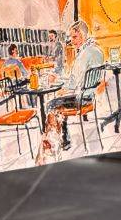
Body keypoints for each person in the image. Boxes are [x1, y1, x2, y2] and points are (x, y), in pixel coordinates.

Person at [45, 20, 105, 150]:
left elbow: (74, 82)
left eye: (74, 37)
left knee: (51, 104)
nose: (71, 41)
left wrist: (58, 80)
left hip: (81, 99)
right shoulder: (97, 50)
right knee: (59, 101)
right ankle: (61, 139)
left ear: (83, 35)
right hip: (91, 96)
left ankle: (56, 141)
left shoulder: (84, 54)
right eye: (71, 37)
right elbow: (80, 78)